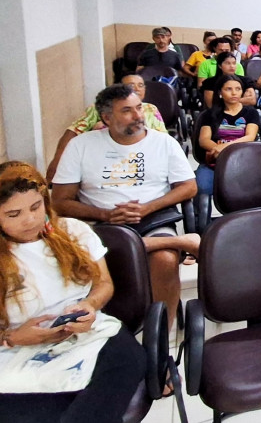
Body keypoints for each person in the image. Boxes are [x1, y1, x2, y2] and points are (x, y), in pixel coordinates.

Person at [0, 162, 146, 423]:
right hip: (16, 346)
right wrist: (12, 337)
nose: (30, 219)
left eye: (36, 207)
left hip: (84, 332)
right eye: (14, 214)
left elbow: (104, 284)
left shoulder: (72, 231)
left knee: (127, 361)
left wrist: (90, 305)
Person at [52, 84, 201, 328]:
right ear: (107, 118)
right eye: (127, 111)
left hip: (152, 217)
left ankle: (162, 335)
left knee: (164, 260)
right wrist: (105, 214)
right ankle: (180, 242)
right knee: (97, 251)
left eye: (139, 108)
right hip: (99, 223)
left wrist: (147, 208)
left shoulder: (164, 143)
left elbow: (188, 187)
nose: (138, 116)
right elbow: (60, 201)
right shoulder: (81, 146)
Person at [46, 74, 166, 183]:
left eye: (140, 85)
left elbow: (162, 139)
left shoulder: (150, 109)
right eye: (130, 85)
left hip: (142, 158)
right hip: (102, 160)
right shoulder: (98, 110)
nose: (136, 89)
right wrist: (56, 163)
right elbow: (73, 131)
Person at [195, 75, 260, 197]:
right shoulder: (209, 114)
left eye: (238, 89)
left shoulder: (251, 113)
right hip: (214, 160)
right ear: (220, 92)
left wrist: (224, 148)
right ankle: (203, 216)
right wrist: (217, 150)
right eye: (228, 89)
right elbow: (204, 140)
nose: (234, 93)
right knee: (202, 187)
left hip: (243, 159)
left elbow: (249, 137)